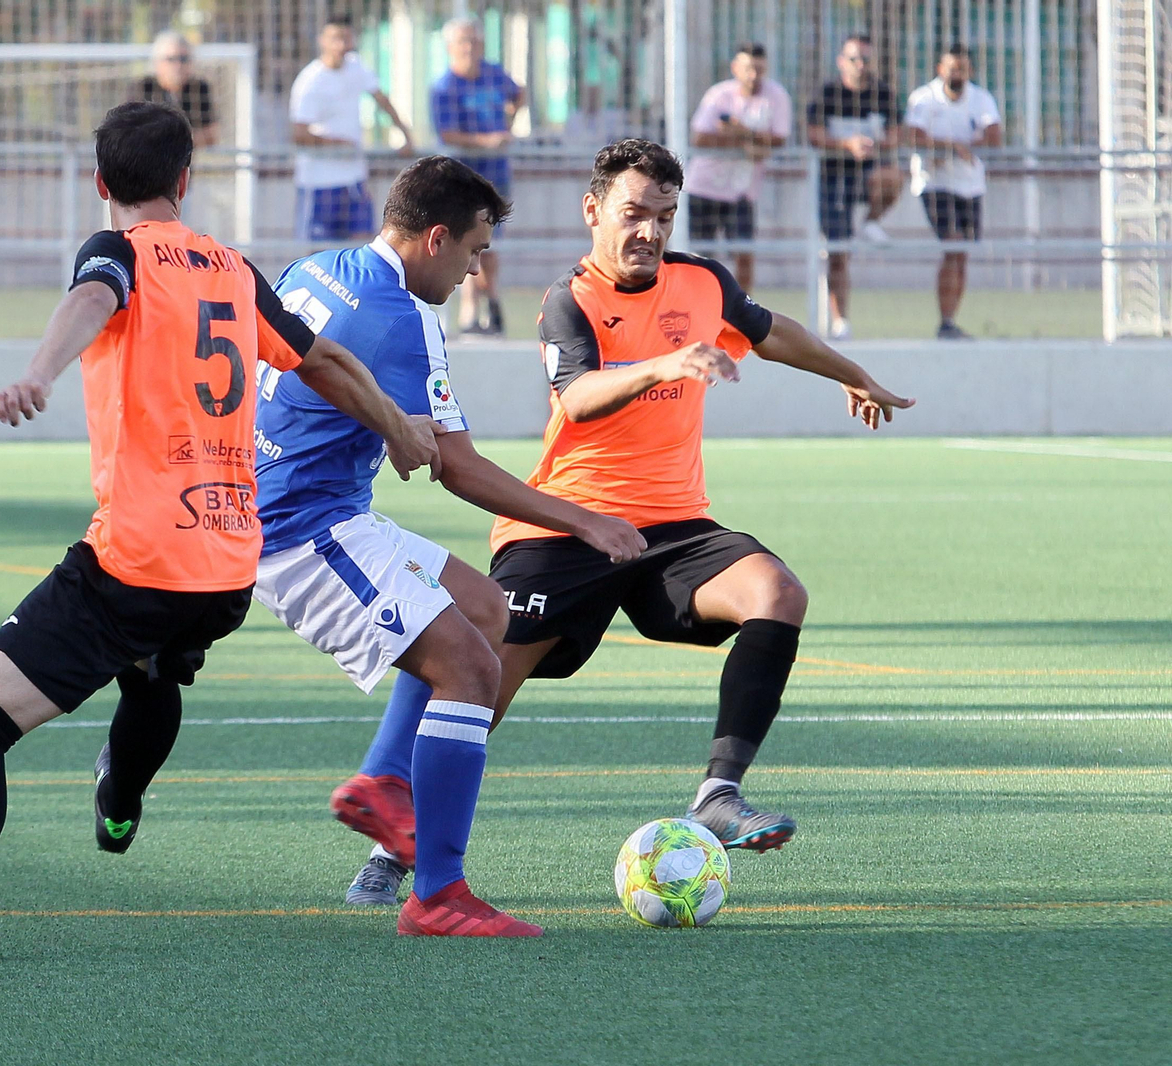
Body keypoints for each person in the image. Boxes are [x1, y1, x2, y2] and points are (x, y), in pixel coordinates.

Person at [0, 101, 441, 962]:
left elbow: (93, 296)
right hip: (228, 564)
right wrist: (394, 424)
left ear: (100, 184)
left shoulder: (115, 252)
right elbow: (324, 359)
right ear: (185, 181)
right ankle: (121, 795)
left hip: (138, 558)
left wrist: (36, 373)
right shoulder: (232, 268)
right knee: (155, 666)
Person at [335, 140, 915, 909]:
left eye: (665, 217)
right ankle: (393, 853)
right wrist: (664, 366)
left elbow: (771, 330)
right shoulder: (567, 300)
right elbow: (575, 398)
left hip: (673, 526)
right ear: (595, 210)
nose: (649, 231)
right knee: (478, 688)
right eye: (635, 213)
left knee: (777, 592)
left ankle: (718, 793)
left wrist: (854, 374)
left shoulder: (703, 281)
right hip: (566, 525)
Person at [242, 155, 646, 936]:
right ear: (435, 239)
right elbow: (456, 468)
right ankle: (438, 895)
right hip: (306, 532)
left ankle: (386, 783)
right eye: (474, 251)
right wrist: (583, 520)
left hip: (296, 505)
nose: (474, 271)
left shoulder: (319, 268)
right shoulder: (405, 317)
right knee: (470, 667)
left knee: (483, 607)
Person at [806, 34, 904, 340]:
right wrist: (846, 144)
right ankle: (841, 321)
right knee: (838, 251)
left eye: (865, 59)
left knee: (896, 177)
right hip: (833, 177)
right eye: (853, 59)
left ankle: (871, 221)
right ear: (841, 62)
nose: (859, 65)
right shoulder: (828, 94)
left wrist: (874, 144)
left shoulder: (882, 94)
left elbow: (897, 133)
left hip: (870, 174)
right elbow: (814, 134)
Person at [429, 17, 524, 334]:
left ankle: (491, 303)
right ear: (450, 48)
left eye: (474, 41)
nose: (470, 49)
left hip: (496, 175)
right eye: (463, 42)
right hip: (465, 178)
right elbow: (448, 133)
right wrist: (488, 141)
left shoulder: (494, 74)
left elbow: (518, 94)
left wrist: (509, 122)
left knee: (492, 241)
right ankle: (469, 310)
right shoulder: (445, 87)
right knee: (465, 239)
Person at [289, 14, 415, 245]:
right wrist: (338, 145)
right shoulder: (310, 81)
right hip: (319, 184)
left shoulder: (356, 67)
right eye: (335, 38)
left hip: (353, 180)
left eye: (346, 38)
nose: (341, 45)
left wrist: (405, 133)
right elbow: (299, 134)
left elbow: (382, 99)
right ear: (322, 41)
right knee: (318, 254)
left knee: (363, 247)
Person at [905, 44, 1002, 341]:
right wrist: (953, 147)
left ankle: (950, 321)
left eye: (961, 68)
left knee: (962, 253)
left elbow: (994, 136)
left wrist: (957, 148)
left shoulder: (981, 98)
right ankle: (945, 320)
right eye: (951, 67)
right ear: (940, 69)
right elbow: (914, 135)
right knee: (953, 244)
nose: (956, 73)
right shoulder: (924, 98)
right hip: (935, 184)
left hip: (970, 185)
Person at [687, 42, 791, 294]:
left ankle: (743, 316)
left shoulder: (776, 96)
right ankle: (698, 308)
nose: (753, 76)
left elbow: (778, 138)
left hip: (741, 191)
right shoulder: (719, 95)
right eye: (748, 69)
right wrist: (748, 142)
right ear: (735, 68)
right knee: (698, 259)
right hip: (705, 188)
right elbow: (700, 137)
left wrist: (741, 131)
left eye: (759, 69)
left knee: (745, 253)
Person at [136, 30, 218, 148]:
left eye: (183, 59)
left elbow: (211, 135)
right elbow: (134, 135)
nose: (178, 66)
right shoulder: (143, 88)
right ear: (157, 62)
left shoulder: (199, 88)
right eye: (171, 59)